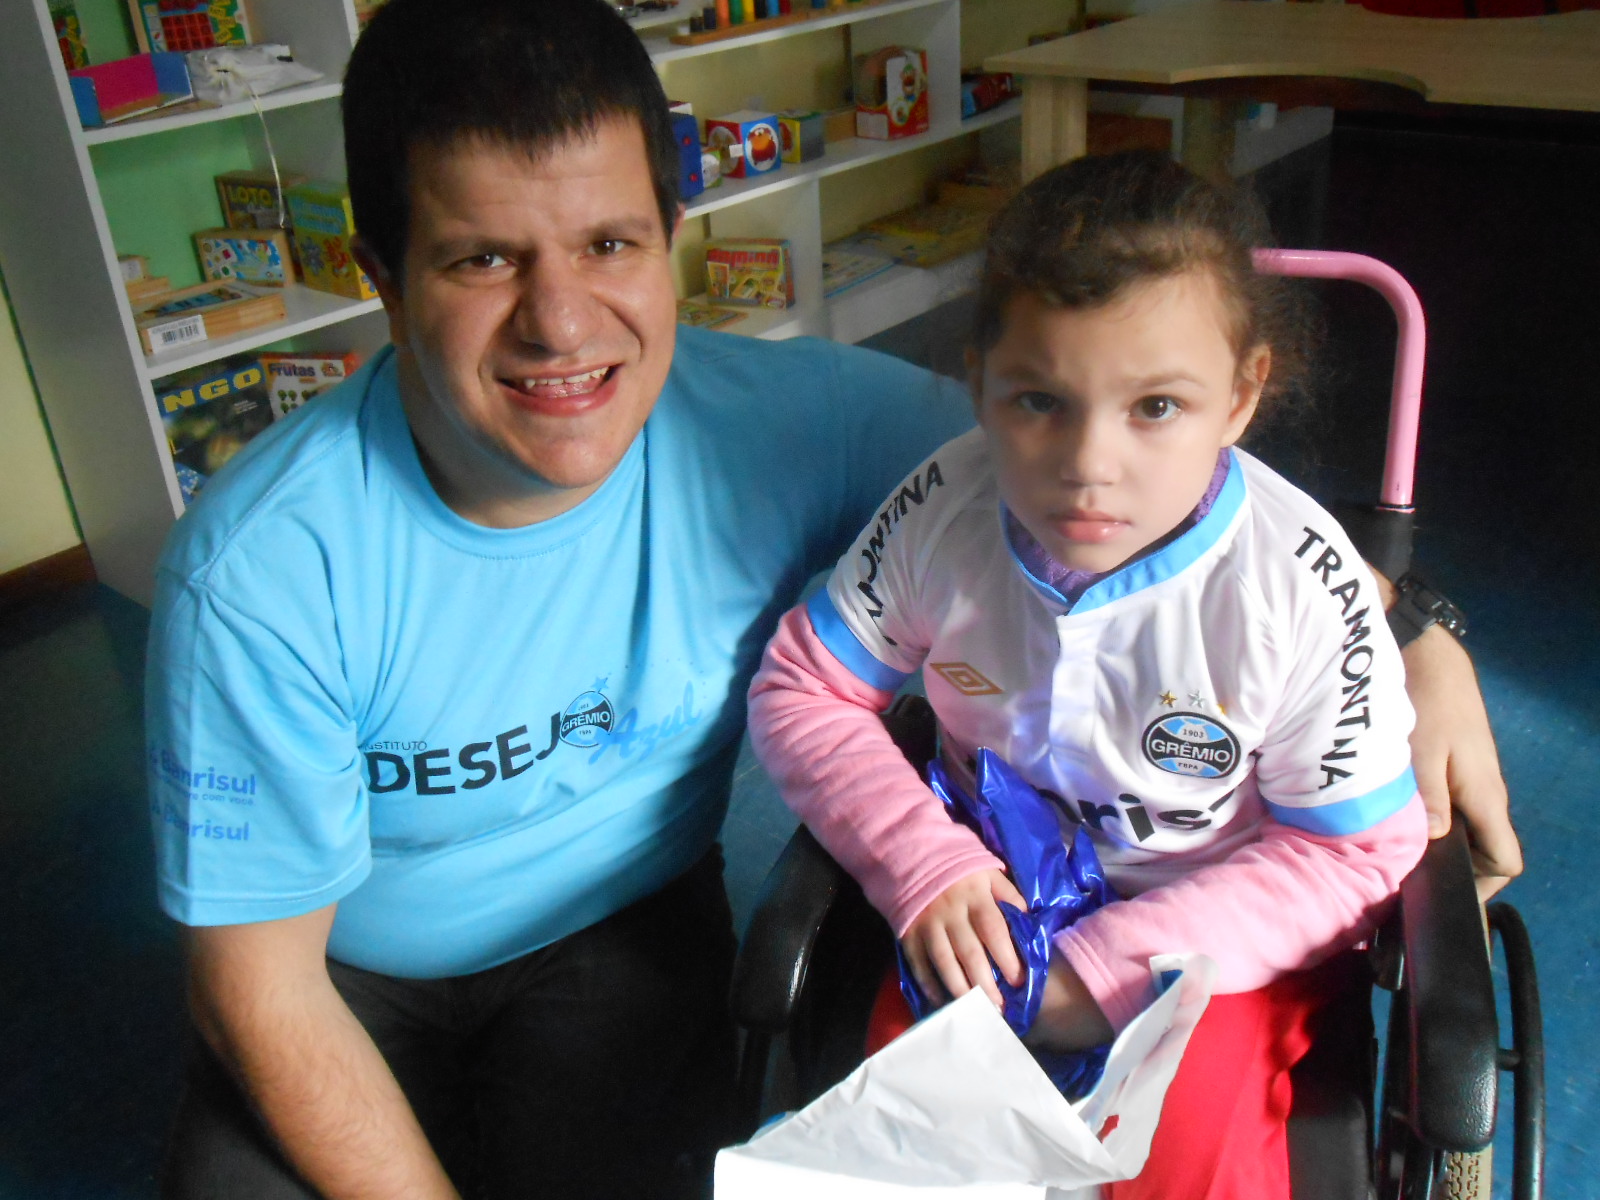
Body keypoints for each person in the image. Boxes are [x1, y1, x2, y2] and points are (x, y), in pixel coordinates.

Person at [140, 0, 1518, 1195]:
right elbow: (257, 989)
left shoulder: (780, 418)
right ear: (379, 279)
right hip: (341, 979)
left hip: (617, 938)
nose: (562, 324)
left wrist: (1415, 633)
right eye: (482, 258)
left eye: (610, 244)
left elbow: (1127, 476)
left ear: (673, 235)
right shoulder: (265, 570)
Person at [745, 152, 1454, 1198]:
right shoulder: (943, 511)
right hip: (977, 905)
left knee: (1192, 1163)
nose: (1087, 463)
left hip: (1209, 936)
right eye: (1038, 400)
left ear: (1241, 395)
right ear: (981, 379)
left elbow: (1353, 854)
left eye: (1155, 407)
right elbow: (803, 688)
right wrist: (920, 862)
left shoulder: (1296, 586)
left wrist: (1114, 966)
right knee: (895, 1151)